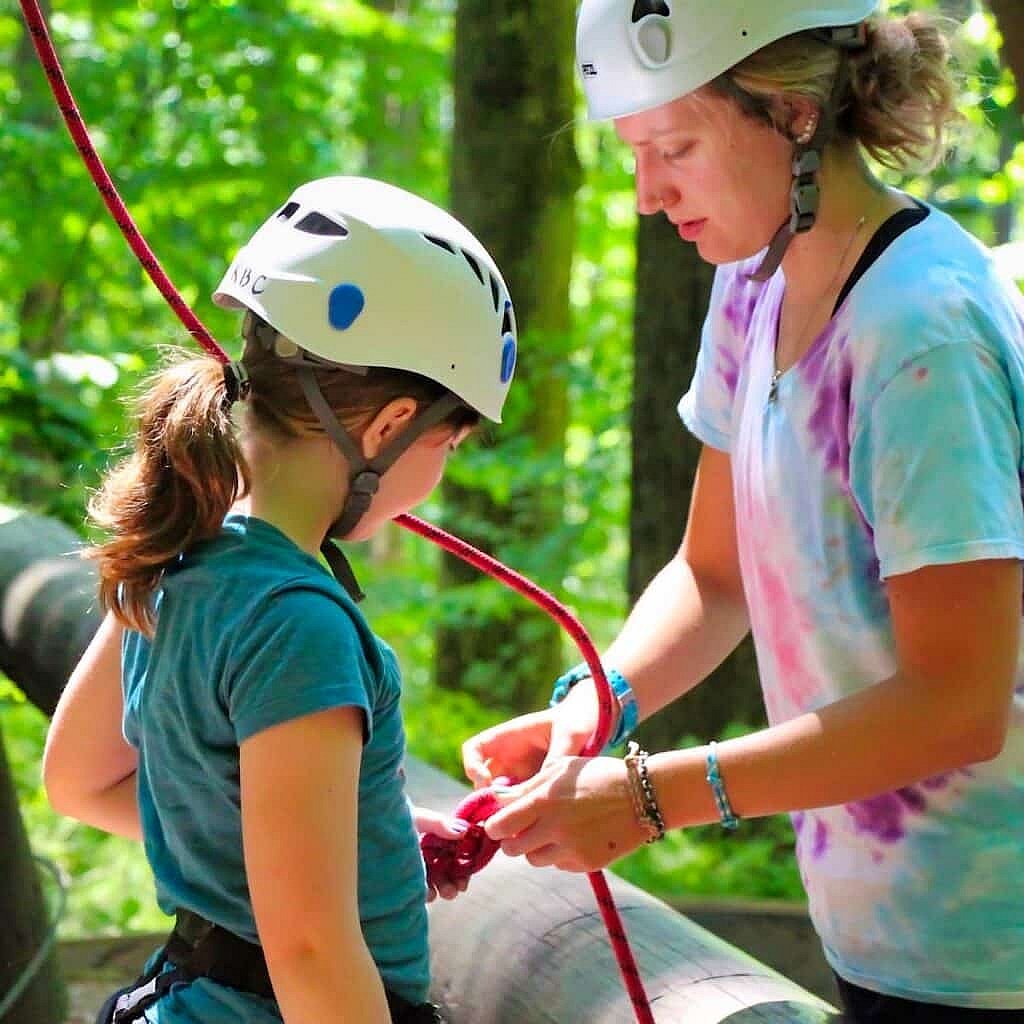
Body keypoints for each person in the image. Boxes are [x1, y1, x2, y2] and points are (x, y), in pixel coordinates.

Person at [463, 2, 1024, 1019]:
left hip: (993, 951)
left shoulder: (918, 334)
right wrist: (597, 705)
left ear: (793, 116)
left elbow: (959, 702)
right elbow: (712, 574)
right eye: (634, 153)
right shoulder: (750, 281)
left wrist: (647, 796)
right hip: (882, 932)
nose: (645, 195)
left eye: (672, 146)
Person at [43, 176, 519, 1024]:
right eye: (444, 441)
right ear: (389, 426)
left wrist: (361, 831)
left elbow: (80, 781)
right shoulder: (300, 623)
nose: (438, 473)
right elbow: (308, 949)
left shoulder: (182, 554)